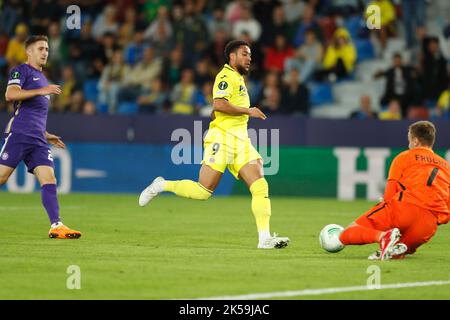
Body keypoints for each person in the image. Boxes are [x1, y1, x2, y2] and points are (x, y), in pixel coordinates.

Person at [139, 40, 289, 249]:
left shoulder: (237, 79)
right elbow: (219, 103)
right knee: (203, 192)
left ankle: (264, 238)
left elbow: (217, 108)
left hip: (241, 140)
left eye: (250, 55)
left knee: (260, 186)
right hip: (223, 139)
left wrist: (220, 116)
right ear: (232, 57)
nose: (249, 58)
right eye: (244, 54)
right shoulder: (225, 76)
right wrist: (248, 111)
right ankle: (161, 185)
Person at [0, 35, 81, 239]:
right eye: (40, 48)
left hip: (37, 139)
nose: (45, 52)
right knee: (2, 177)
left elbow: (34, 114)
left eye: (46, 48)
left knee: (49, 178)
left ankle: (56, 225)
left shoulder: (43, 79)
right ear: (29, 52)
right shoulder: (21, 71)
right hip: (19, 134)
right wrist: (41, 90)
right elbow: (10, 95)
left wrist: (46, 135)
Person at [339, 121, 449, 260]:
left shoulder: (404, 157)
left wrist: (385, 205)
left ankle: (383, 237)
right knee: (397, 252)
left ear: (415, 141)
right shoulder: (446, 167)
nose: (408, 144)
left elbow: (390, 192)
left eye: (409, 140)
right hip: (427, 225)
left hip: (404, 209)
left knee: (347, 233)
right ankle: (400, 246)